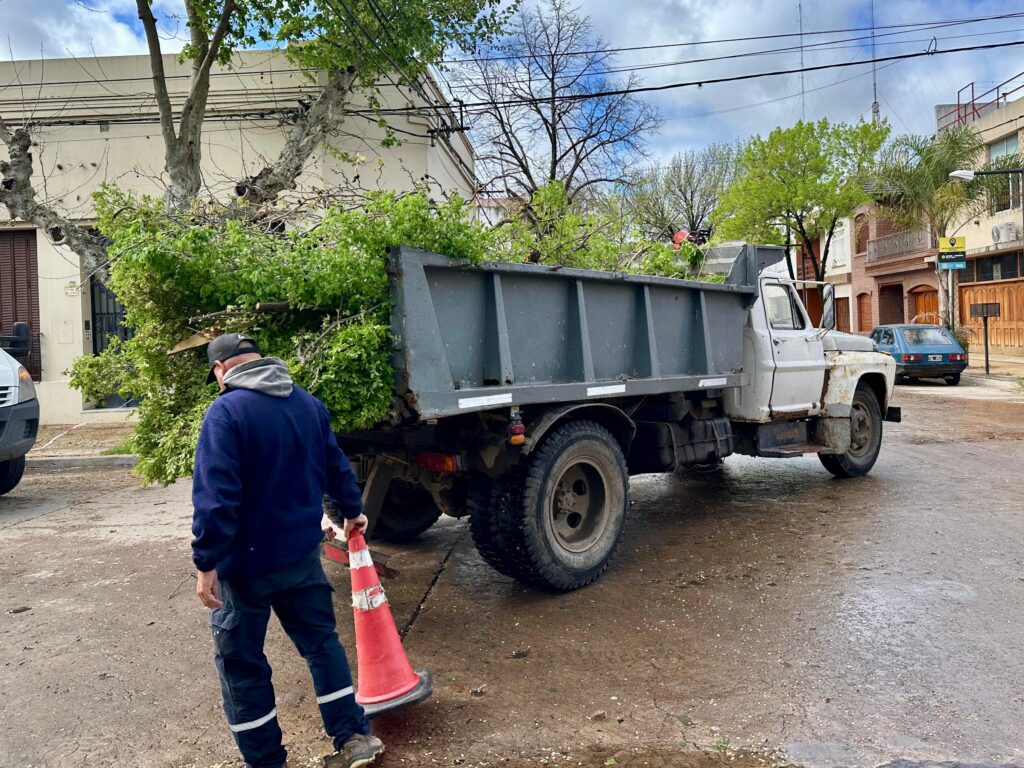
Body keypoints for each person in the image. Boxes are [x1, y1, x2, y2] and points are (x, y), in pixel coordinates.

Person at [190, 332, 384, 768]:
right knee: (321, 644)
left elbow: (216, 498)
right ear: (260, 360)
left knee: (242, 663)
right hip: (300, 558)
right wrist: (352, 511)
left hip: (244, 569)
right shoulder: (307, 405)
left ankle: (265, 761)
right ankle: (353, 736)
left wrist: (206, 562)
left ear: (222, 370)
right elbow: (336, 464)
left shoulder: (225, 413)